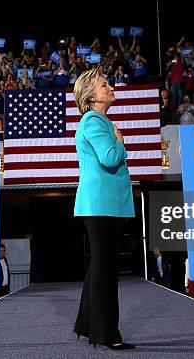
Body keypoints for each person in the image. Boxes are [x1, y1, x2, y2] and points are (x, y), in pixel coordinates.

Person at [72, 69, 135, 350]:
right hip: (100, 205)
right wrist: (121, 143)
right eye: (104, 84)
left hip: (104, 205)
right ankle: (106, 333)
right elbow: (109, 158)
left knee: (101, 268)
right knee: (104, 270)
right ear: (90, 95)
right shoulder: (93, 120)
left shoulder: (100, 121)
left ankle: (89, 326)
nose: (111, 87)